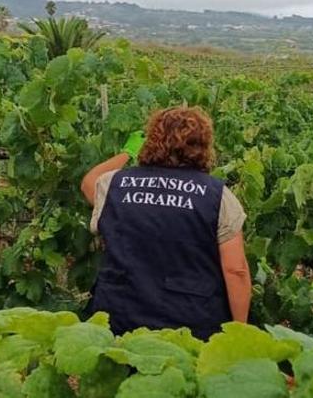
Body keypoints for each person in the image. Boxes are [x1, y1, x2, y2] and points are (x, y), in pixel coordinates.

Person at [80, 106, 251, 340]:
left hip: (120, 319)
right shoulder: (218, 196)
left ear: (151, 141)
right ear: (203, 146)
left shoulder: (113, 185)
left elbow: (88, 182)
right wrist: (239, 331)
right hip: (189, 325)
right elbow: (236, 270)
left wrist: (127, 153)